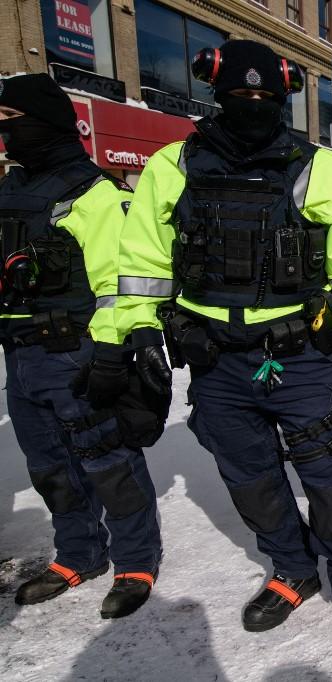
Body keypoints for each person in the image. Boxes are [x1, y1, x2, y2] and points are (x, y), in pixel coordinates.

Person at [95, 40, 332, 647]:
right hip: (215, 361)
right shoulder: (173, 166)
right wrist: (138, 330)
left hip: (300, 360)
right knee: (249, 477)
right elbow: (143, 263)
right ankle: (291, 568)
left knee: (329, 476)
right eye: (240, 95)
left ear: (284, 95)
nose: (253, 105)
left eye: (265, 96)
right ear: (215, 92)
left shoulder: (322, 167)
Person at [0, 74, 165, 618]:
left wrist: (111, 355)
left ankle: (136, 561)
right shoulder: (9, 192)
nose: (5, 134)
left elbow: (120, 284)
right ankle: (78, 554)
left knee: (107, 461)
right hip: (20, 355)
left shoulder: (95, 195)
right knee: (48, 466)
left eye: (11, 121)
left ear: (44, 125)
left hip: (76, 350)